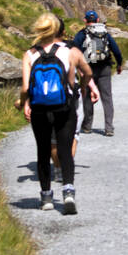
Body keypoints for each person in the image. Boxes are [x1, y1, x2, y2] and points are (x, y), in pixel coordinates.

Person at [21, 13, 99, 214]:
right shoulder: (71, 51)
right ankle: (68, 193)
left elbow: (25, 88)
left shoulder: (30, 54)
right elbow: (88, 72)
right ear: (58, 29)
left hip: (39, 109)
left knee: (43, 150)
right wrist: (83, 87)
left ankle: (46, 197)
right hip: (64, 107)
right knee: (65, 149)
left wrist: (23, 103)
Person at [73, 9, 123, 137]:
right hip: (105, 68)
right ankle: (109, 128)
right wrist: (119, 64)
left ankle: (87, 126)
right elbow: (116, 50)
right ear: (97, 20)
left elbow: (74, 49)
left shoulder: (82, 34)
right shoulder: (105, 33)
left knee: (87, 96)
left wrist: (78, 67)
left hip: (87, 69)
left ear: (85, 20)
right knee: (107, 98)